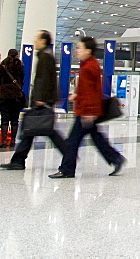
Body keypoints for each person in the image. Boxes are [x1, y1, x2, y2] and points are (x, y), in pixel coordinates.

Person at [49, 36, 125, 178]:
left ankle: (67, 169)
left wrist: (89, 112)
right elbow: (87, 90)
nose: (77, 50)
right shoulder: (88, 65)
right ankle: (115, 158)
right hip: (86, 110)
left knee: (72, 141)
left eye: (79, 48)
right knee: (96, 138)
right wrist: (77, 96)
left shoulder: (90, 67)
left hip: (86, 112)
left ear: (88, 51)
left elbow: (93, 92)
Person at [1, 31, 69, 170]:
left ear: (43, 40)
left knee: (43, 131)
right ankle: (18, 161)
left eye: (37, 39)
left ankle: (69, 154)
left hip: (42, 101)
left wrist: (40, 99)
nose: (34, 41)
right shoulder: (45, 55)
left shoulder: (45, 56)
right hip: (43, 99)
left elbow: (43, 79)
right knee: (30, 131)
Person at [0, 48, 25, 146]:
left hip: (4, 94)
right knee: (14, 119)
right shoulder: (19, 65)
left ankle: (4, 141)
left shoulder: (2, 64)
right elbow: (22, 80)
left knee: (4, 119)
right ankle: (13, 141)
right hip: (16, 94)